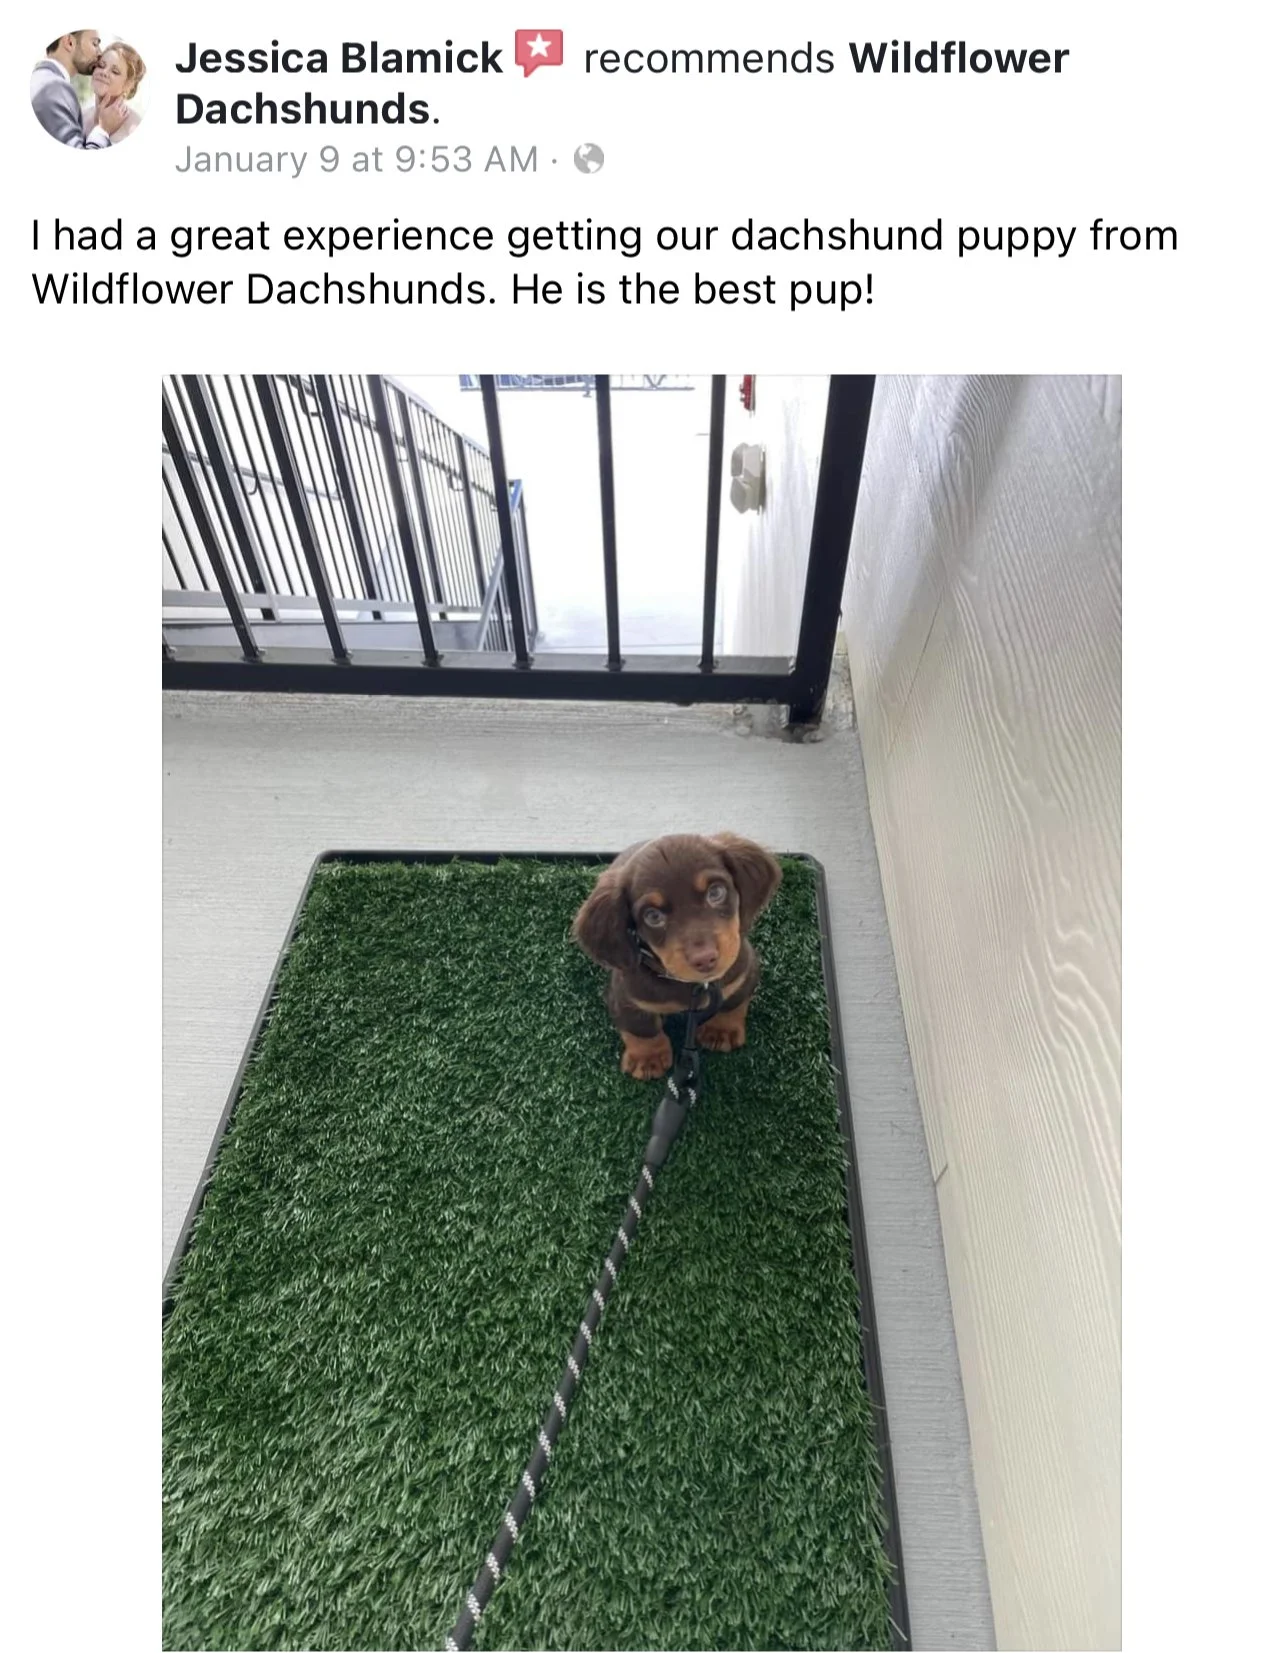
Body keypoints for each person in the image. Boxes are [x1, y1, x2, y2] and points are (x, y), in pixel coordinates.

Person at [30, 30, 126, 148]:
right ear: (69, 42)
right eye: (95, 44)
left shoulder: (40, 79)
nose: (100, 53)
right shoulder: (54, 88)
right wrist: (102, 129)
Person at [83, 42, 145, 144]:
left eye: (115, 71)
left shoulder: (135, 128)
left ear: (128, 85)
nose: (104, 72)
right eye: (101, 65)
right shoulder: (80, 117)